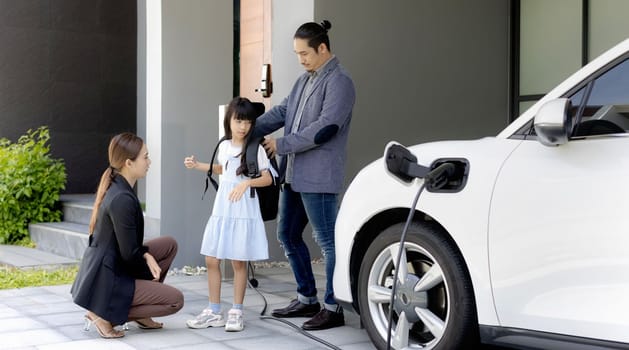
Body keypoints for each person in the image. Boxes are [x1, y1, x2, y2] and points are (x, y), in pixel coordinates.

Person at [252, 20, 356, 330]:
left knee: (328, 243)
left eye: (304, 53)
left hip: (320, 177)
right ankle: (307, 298)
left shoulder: (340, 82)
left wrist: (280, 144)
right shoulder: (304, 80)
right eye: (297, 54)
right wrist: (245, 127)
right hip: (294, 175)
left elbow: (325, 127)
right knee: (287, 234)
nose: (301, 59)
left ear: (322, 48)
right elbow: (282, 112)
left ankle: (332, 306)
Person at [71, 132, 184, 338]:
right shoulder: (121, 198)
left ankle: (140, 310)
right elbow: (129, 255)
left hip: (117, 265)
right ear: (128, 163)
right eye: (145, 157)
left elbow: (129, 247)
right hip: (109, 278)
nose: (149, 162)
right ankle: (102, 314)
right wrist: (146, 261)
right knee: (175, 300)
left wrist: (147, 255)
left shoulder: (119, 186)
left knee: (168, 244)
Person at [183, 97, 273, 332]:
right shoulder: (223, 145)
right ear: (229, 121)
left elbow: (268, 178)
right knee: (212, 258)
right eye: (239, 121)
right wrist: (199, 165)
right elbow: (223, 168)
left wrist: (246, 184)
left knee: (238, 261)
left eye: (248, 122)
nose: (243, 126)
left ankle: (236, 311)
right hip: (223, 207)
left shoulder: (255, 147)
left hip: (243, 208)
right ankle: (214, 311)